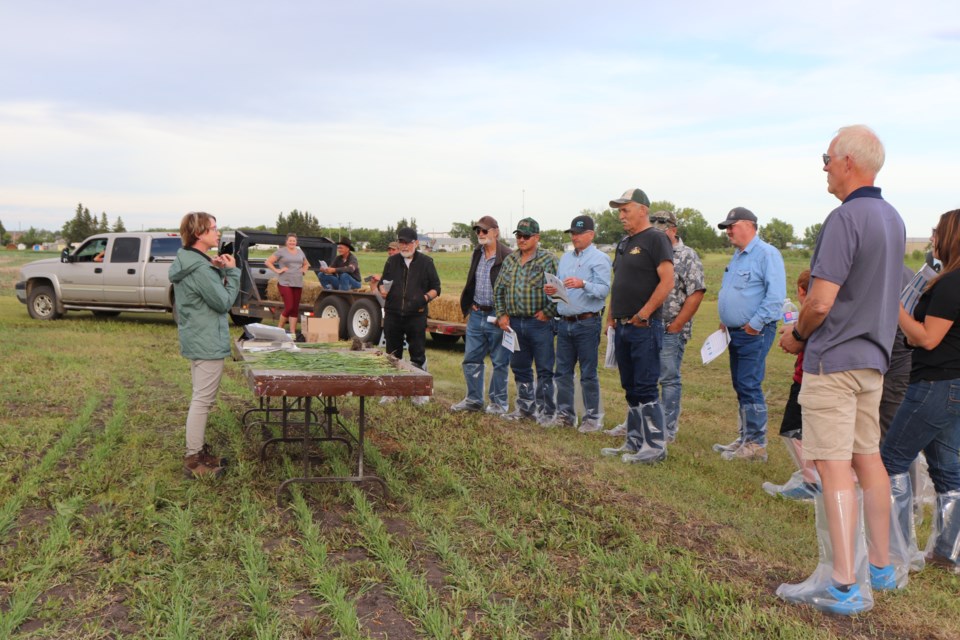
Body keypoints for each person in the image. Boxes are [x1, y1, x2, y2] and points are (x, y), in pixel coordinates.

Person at [778, 124, 904, 615]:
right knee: (867, 459)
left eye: (827, 158)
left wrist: (799, 336)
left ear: (849, 161)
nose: (825, 167)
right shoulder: (892, 218)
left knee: (832, 468)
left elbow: (821, 301)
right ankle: (881, 565)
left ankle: (842, 584)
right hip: (874, 361)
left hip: (834, 361)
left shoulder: (844, 218)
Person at [881, 209, 960, 575]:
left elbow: (927, 337)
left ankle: (897, 549)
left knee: (890, 462)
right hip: (952, 387)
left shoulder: (950, 283)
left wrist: (895, 307)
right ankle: (946, 554)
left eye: (937, 231)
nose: (932, 237)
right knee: (949, 474)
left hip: (932, 386)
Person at [600, 188, 674, 464]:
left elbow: (667, 281)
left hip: (644, 326)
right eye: (619, 210)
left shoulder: (656, 239)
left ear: (643, 209)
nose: (621, 215)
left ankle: (654, 446)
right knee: (630, 386)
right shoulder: (623, 243)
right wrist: (610, 318)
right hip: (622, 326)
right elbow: (618, 284)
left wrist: (643, 314)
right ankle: (633, 442)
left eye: (625, 209)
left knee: (645, 386)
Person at [168, 211, 240, 479]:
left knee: (202, 398)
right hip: (206, 339)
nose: (217, 233)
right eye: (213, 228)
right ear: (199, 233)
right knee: (202, 400)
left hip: (198, 336)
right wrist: (232, 273)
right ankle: (193, 459)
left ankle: (197, 451)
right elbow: (222, 302)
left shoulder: (193, 261)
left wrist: (217, 270)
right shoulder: (199, 267)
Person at [712, 207, 786, 462]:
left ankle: (756, 444)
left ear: (749, 225)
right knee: (741, 384)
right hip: (735, 332)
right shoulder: (738, 256)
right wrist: (725, 320)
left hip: (755, 332)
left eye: (732, 226)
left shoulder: (767, 254)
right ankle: (745, 437)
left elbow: (775, 297)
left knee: (749, 384)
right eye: (727, 228)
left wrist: (754, 325)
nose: (728, 231)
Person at [544, 214, 611, 432]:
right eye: (572, 233)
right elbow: (560, 290)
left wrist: (584, 284)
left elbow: (603, 290)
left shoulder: (600, 258)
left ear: (591, 234)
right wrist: (551, 292)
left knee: (588, 373)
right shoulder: (565, 258)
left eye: (579, 233)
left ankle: (592, 418)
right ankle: (565, 415)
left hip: (587, 322)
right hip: (564, 321)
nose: (574, 237)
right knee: (562, 371)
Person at [493, 217, 559, 424]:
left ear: (536, 237)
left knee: (544, 368)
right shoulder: (511, 260)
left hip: (539, 324)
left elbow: (559, 291)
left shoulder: (548, 260)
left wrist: (548, 311)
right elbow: (499, 290)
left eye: (526, 236)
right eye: (518, 236)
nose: (521, 240)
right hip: (514, 324)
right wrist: (502, 314)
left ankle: (547, 412)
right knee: (520, 366)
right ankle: (524, 408)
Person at [652, 210, 705, 442]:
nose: (657, 229)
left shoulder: (687, 256)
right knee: (644, 378)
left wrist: (677, 325)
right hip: (646, 326)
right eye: (653, 225)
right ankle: (642, 421)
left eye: (661, 226)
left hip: (670, 330)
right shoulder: (650, 252)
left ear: (673, 229)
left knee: (669, 379)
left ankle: (667, 429)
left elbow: (696, 293)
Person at [451, 216, 513, 414]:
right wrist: (469, 307)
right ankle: (474, 400)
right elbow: (472, 281)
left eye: (484, 231)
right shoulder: (476, 253)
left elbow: (511, 289)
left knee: (500, 361)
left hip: (498, 315)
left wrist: (505, 314)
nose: (480, 234)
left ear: (496, 232)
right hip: (477, 313)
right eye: (478, 231)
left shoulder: (508, 256)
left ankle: (498, 404)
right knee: (471, 359)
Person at [378, 227, 441, 405]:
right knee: (392, 353)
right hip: (393, 314)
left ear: (416, 243)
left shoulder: (426, 262)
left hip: (416, 315)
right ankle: (392, 391)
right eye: (401, 242)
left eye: (407, 243)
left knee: (417, 353)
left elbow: (437, 287)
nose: (404, 246)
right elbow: (383, 283)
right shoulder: (392, 262)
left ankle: (418, 391)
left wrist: (424, 298)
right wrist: (381, 289)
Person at [266, 233, 311, 338]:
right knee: (289, 306)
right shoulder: (281, 251)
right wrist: (278, 270)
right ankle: (279, 328)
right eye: (290, 241)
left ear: (296, 242)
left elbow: (306, 264)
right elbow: (268, 262)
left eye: (294, 241)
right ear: (286, 242)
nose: (292, 242)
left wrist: (304, 271)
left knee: (295, 309)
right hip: (285, 282)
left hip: (298, 283)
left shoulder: (300, 252)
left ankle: (292, 333)